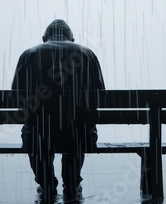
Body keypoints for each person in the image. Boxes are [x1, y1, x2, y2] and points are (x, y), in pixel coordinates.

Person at [11, 19, 105, 200]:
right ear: (72, 38)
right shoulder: (87, 54)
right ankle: (71, 183)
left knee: (33, 132)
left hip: (40, 134)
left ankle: (46, 183)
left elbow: (16, 98)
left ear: (44, 37)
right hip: (78, 134)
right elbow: (100, 97)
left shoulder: (29, 55)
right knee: (81, 128)